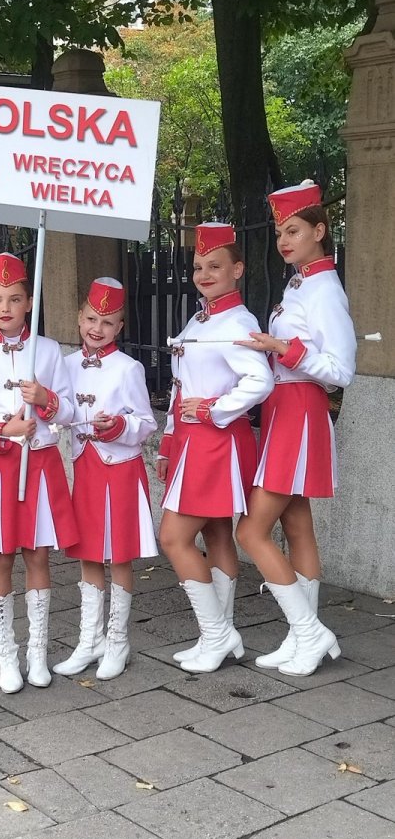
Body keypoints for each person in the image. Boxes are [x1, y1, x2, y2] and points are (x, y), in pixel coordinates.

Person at [235, 181, 356, 676]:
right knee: (295, 523)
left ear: (319, 231)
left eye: (293, 231)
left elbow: (342, 370)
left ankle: (309, 631)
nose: (283, 240)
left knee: (250, 530)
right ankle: (301, 635)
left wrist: (285, 350)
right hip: (283, 409)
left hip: (301, 409)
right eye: (280, 232)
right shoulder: (299, 284)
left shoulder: (324, 290)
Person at [0, 252, 78, 694]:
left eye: (14, 299)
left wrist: (46, 400)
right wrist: (1, 430)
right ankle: (7, 656)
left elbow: (70, 412)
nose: (5, 307)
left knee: (38, 554)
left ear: (29, 302)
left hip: (40, 463)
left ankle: (37, 653)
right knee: (0, 556)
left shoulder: (47, 350)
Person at [157, 223, 274, 673]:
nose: (204, 275)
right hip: (195, 441)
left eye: (215, 266)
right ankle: (221, 635)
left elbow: (260, 381)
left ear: (237, 269)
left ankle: (217, 635)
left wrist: (212, 408)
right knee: (217, 534)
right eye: (198, 267)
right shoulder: (201, 318)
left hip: (216, 442)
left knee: (173, 537)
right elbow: (180, 383)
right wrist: (170, 439)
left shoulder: (238, 322)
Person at [52, 278, 157, 681]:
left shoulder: (129, 368)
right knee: (89, 553)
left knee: (119, 555)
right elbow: (61, 410)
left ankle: (117, 641)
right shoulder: (65, 365)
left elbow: (145, 422)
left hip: (120, 468)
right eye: (92, 319)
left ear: (120, 326)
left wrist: (118, 425)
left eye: (108, 322)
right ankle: (89, 639)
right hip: (86, 469)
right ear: (80, 318)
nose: (98, 328)